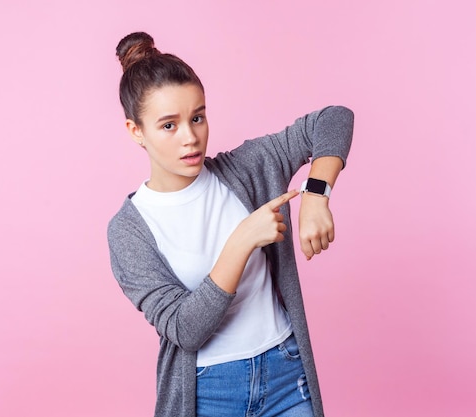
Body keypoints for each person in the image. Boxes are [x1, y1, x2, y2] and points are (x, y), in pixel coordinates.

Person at [107, 31, 354, 417]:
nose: (190, 137)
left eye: (198, 117)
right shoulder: (129, 230)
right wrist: (241, 242)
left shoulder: (246, 168)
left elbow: (333, 120)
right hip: (207, 394)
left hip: (287, 377)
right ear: (136, 131)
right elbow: (186, 330)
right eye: (169, 125)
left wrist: (316, 194)